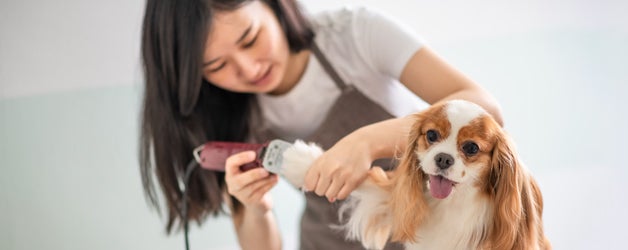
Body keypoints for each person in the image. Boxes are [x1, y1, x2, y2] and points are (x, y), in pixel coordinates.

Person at [138, 0, 503, 249]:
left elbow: (484, 108)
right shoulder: (233, 113)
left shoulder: (355, 36)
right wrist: (255, 207)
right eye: (216, 67)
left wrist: (369, 141)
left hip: (435, 233)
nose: (249, 69)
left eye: (250, 39)